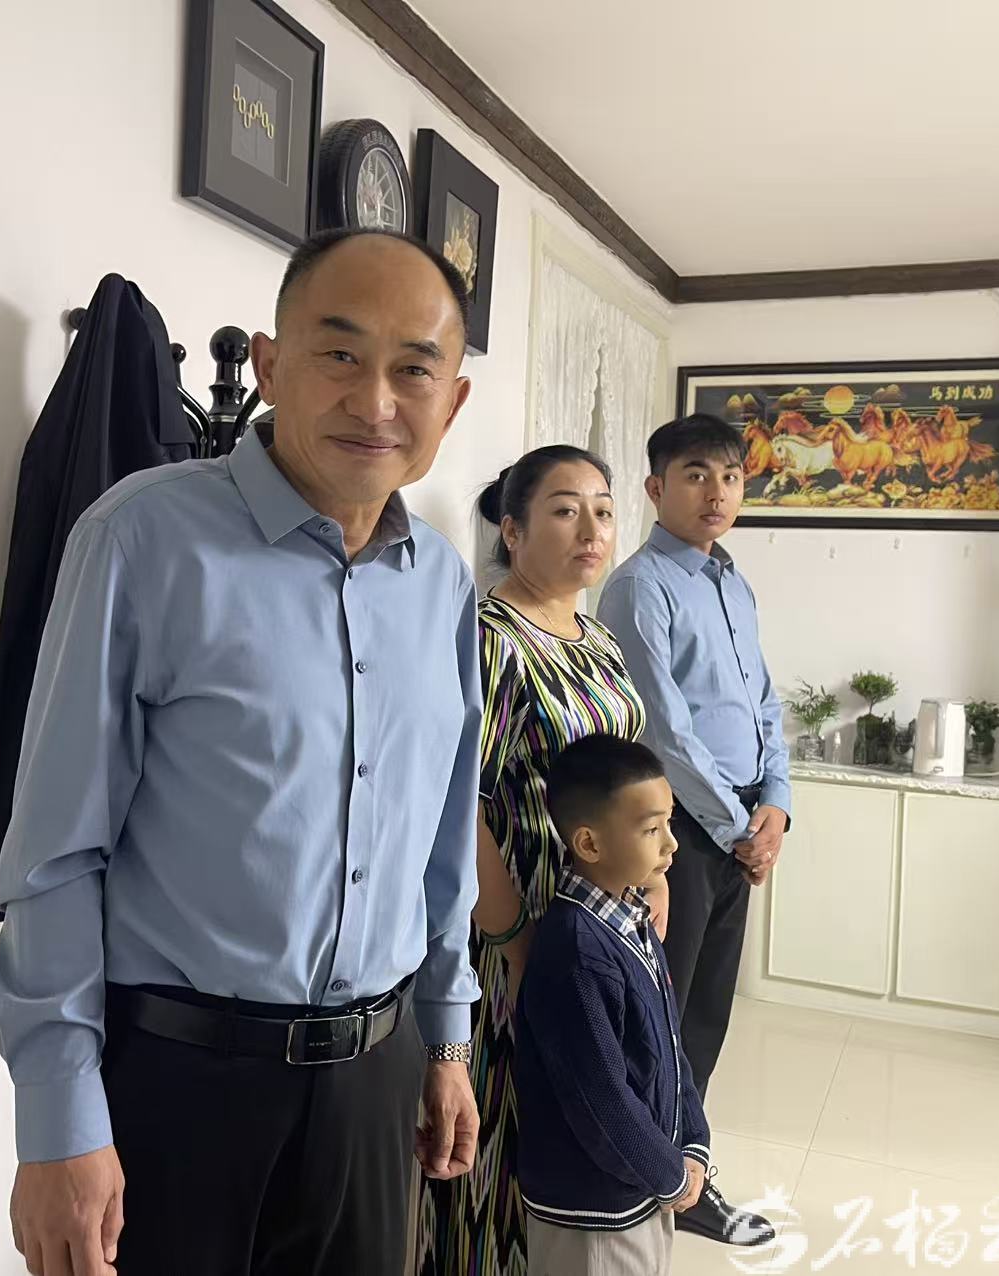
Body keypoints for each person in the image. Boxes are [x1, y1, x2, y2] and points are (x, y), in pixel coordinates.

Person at [0, 228, 484, 1276]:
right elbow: (55, 850)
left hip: (377, 1079)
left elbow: (441, 839)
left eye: (413, 370)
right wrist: (59, 1117)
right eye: (339, 353)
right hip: (181, 1085)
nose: (375, 402)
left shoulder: (442, 585)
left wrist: (447, 1039)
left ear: (452, 402)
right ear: (268, 364)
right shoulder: (141, 539)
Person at [418, 445, 653, 1276]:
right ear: (512, 531)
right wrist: (515, 938)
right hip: (516, 931)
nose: (591, 528)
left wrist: (651, 879)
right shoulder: (492, 639)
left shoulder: (598, 640)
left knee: (579, 1115)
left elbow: (625, 778)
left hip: (597, 931)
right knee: (505, 1135)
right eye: (564, 509)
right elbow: (458, 806)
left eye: (603, 509)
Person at [597, 413, 788, 1249]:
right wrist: (740, 826)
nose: (717, 492)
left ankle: (686, 1173)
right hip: (678, 832)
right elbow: (664, 729)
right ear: (655, 487)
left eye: (731, 476)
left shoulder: (733, 584)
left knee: (705, 1012)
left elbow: (765, 703)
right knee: (659, 1015)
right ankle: (644, 1174)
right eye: (697, 474)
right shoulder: (640, 586)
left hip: (739, 825)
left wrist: (776, 804)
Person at [515, 734, 707, 1276]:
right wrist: (669, 1175)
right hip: (594, 1212)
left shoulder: (633, 920)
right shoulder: (576, 952)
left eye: (669, 823)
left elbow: (669, 1047)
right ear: (589, 843)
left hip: (643, 1186)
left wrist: (693, 1142)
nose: (672, 845)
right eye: (651, 829)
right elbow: (601, 1099)